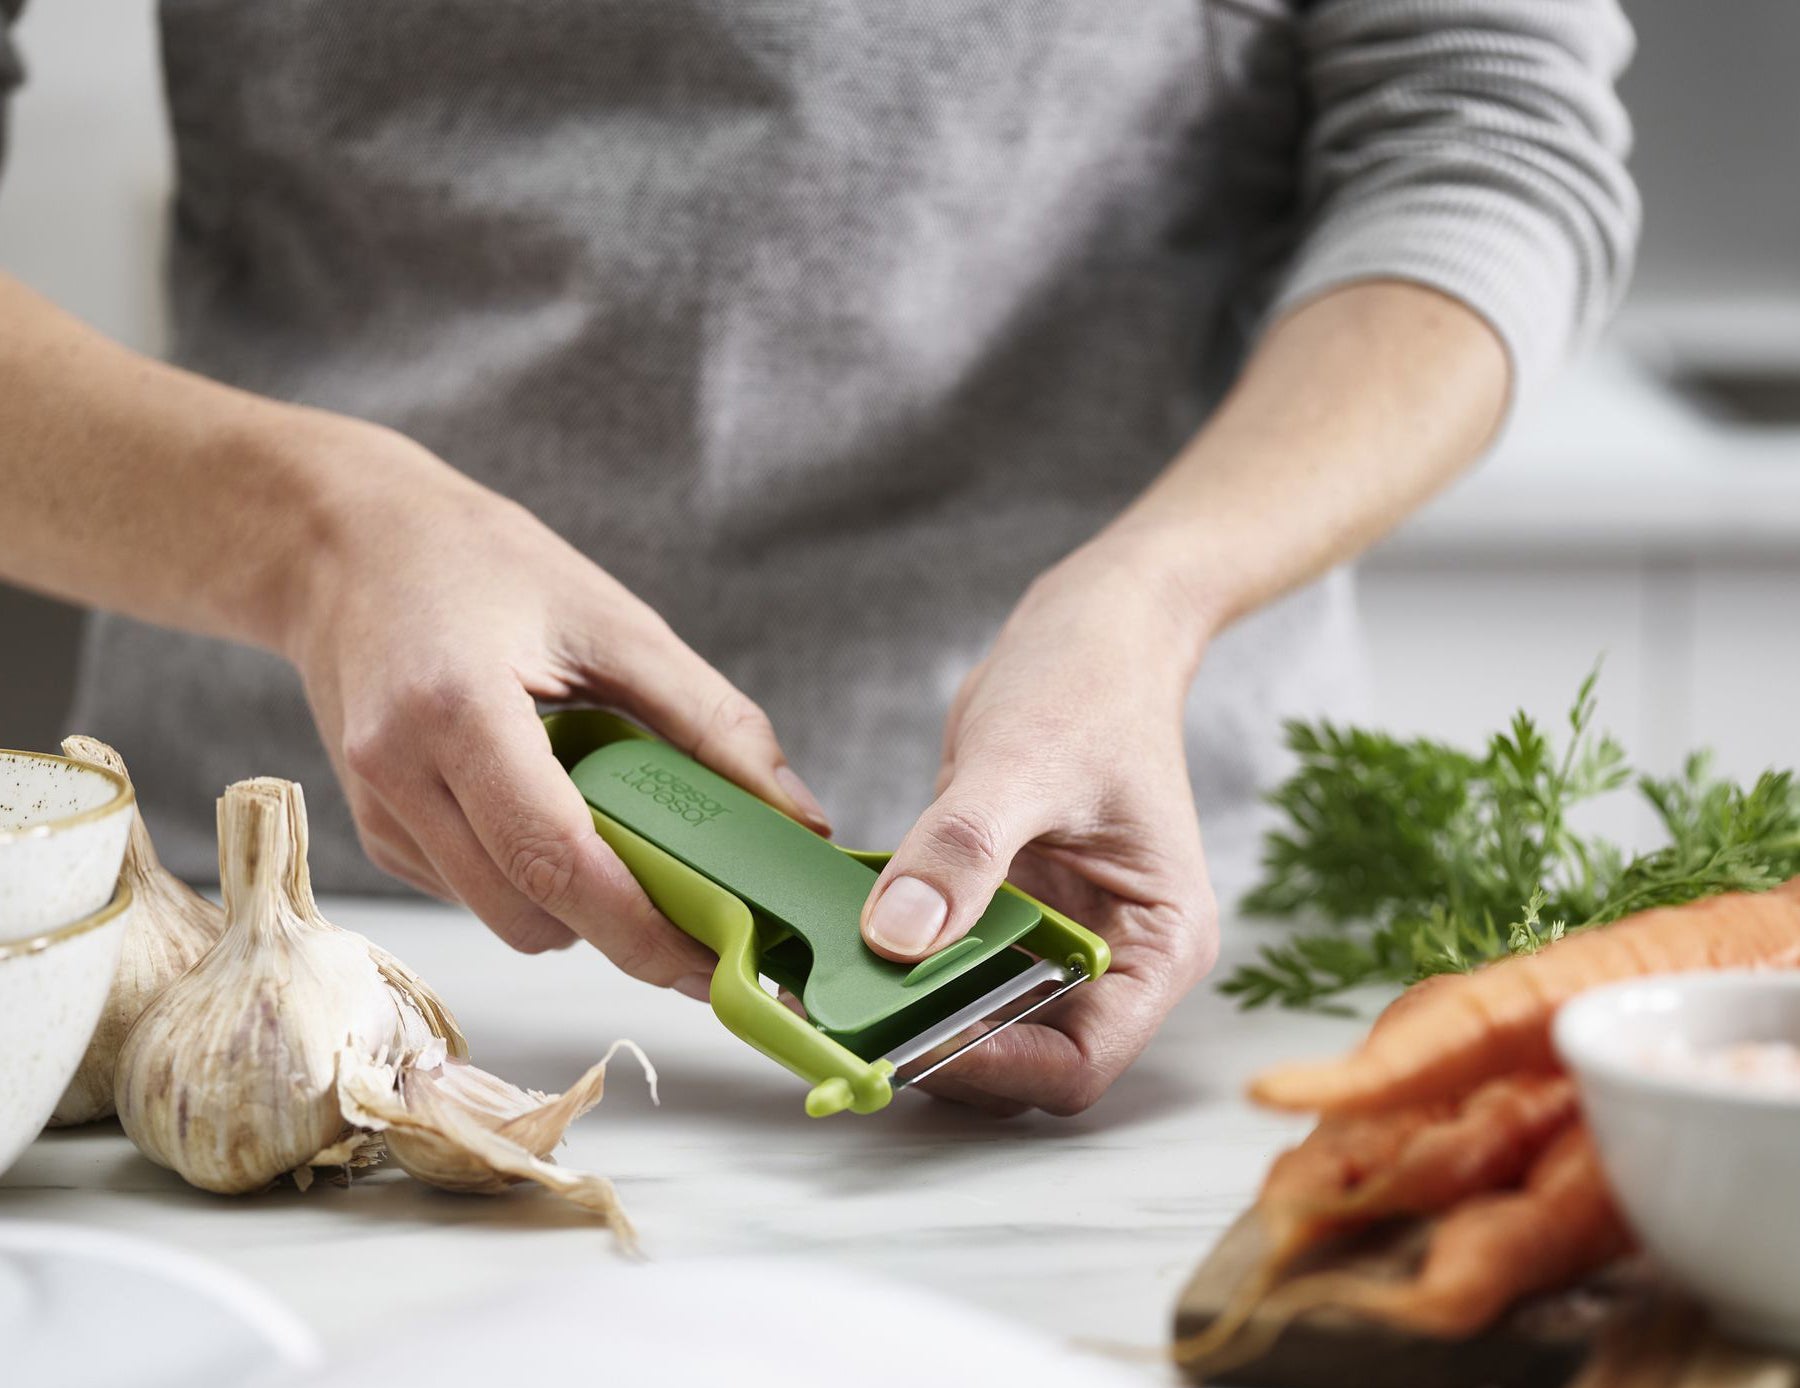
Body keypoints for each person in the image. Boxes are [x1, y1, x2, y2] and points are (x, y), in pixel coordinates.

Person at [0, 1, 1637, 1113]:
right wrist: (320, 540)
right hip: (276, 961)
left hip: (1119, 895)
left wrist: (1158, 591)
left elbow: (1491, 134)